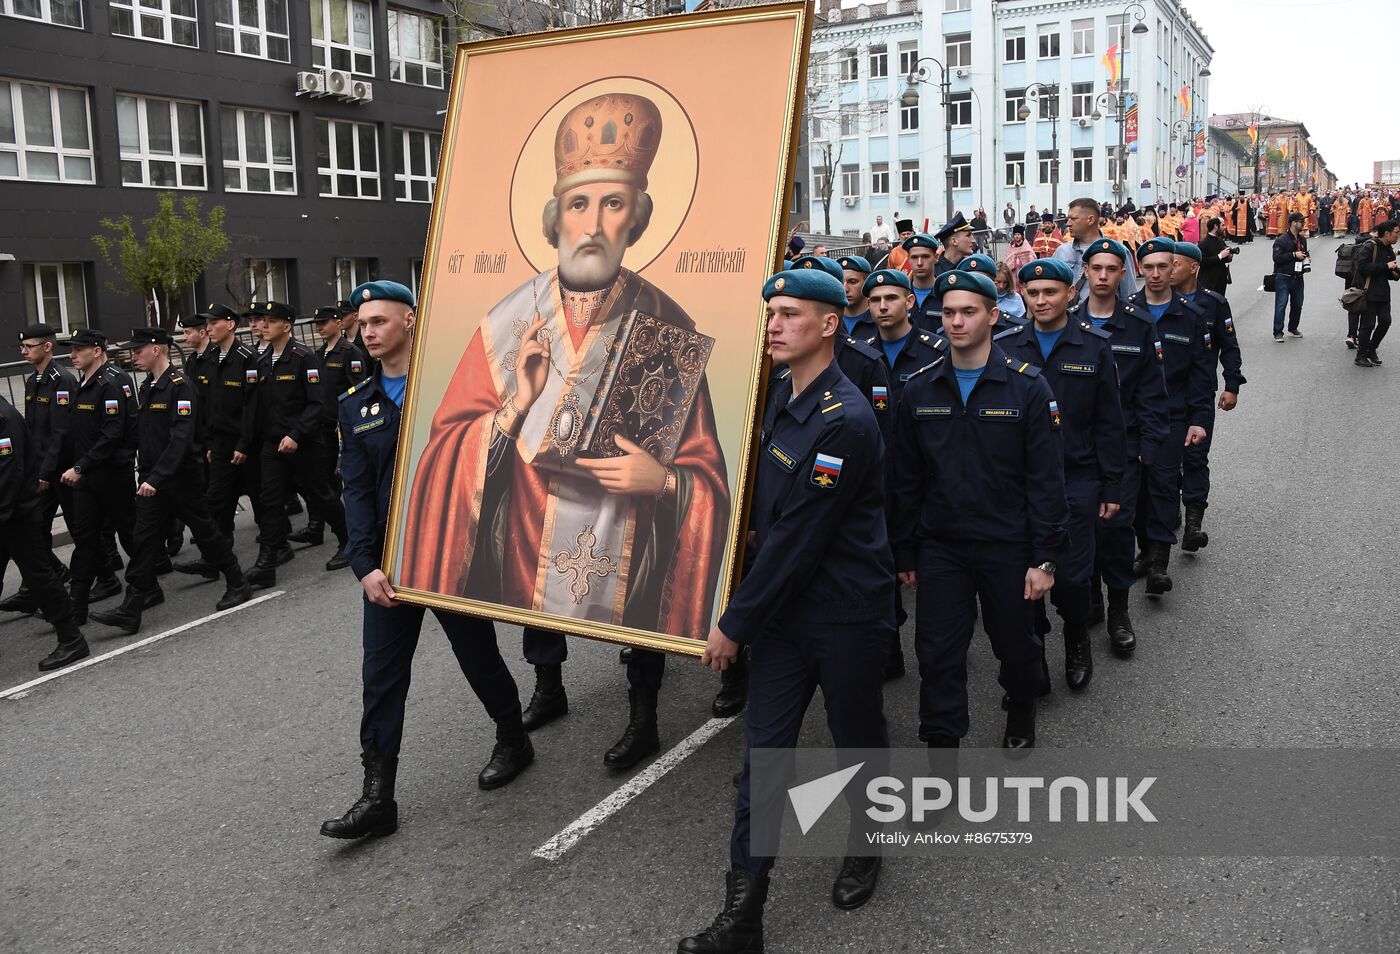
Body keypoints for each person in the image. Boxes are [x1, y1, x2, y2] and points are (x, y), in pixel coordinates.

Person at [678, 266, 894, 953]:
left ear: (830, 324)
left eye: (790, 314)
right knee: (764, 758)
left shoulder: (846, 421)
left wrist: (733, 625)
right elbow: (767, 513)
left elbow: (799, 540)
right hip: (786, 620)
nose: (773, 325)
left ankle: (866, 844)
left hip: (845, 614)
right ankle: (743, 916)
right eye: (771, 313)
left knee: (855, 737)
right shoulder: (780, 395)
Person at [321, 280, 533, 842]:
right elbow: (358, 491)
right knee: (381, 677)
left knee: (477, 656)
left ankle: (513, 736)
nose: (367, 333)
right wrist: (364, 564)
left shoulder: (451, 389)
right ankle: (377, 797)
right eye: (362, 324)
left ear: (411, 320)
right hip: (389, 566)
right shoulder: (356, 404)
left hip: (448, 555)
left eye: (379, 322)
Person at [891, 268, 1067, 752]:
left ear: (993, 315)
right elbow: (906, 479)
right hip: (942, 545)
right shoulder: (920, 388)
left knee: (1015, 644)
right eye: (948, 312)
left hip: (1007, 543)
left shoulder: (1027, 388)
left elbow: (1047, 481)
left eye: (968, 312)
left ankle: (1022, 706)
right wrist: (905, 552)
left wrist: (1045, 557)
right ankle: (941, 754)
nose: (956, 322)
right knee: (938, 653)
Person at [995, 259, 1124, 693]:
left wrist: (1111, 484)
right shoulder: (1007, 345)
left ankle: (1076, 638)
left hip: (1078, 478)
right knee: (1023, 577)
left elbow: (1109, 421)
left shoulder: (1094, 346)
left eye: (1050, 292)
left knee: (1070, 575)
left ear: (1071, 294)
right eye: (1032, 293)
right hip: (1019, 482)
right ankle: (1033, 655)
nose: (1041, 300)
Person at [88, 329, 252, 634]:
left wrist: (158, 477)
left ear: (157, 349)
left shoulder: (181, 387)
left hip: (181, 480)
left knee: (206, 532)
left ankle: (237, 582)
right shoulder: (149, 385)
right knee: (143, 540)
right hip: (154, 481)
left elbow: (181, 438)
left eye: (138, 350)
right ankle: (133, 605)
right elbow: (148, 435)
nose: (133, 356)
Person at [1079, 238, 1168, 655]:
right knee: (1084, 530)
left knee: (1116, 531)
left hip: (1125, 448)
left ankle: (1118, 610)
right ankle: (1092, 599)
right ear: (1084, 271)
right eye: (1095, 268)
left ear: (1121, 274)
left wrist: (1149, 450)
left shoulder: (1138, 324)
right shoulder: (1069, 322)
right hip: (1078, 452)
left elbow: (1152, 394)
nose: (1102, 276)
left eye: (1111, 269)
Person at [1127, 238, 1213, 596]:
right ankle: (1146, 549)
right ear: (1139, 270)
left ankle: (1160, 562)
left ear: (1173, 268)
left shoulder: (1191, 316)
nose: (1157, 274)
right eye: (1149, 267)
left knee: (1163, 487)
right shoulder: (1127, 312)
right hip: (1132, 419)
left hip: (1174, 415)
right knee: (1136, 492)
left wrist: (1199, 420)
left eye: (1164, 266)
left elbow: (1202, 375)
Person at [246, 301, 349, 587]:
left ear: (286, 326)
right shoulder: (263, 359)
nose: (264, 325)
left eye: (270, 321)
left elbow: (317, 404)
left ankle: (349, 541)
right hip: (272, 444)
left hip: (304, 442)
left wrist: (296, 434)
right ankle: (266, 562)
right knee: (269, 501)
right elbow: (260, 405)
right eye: (262, 321)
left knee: (320, 494)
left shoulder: (304, 357)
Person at [0, 393, 90, 671]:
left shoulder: (3, 420)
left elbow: (8, 475)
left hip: (16, 515)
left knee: (40, 576)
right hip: (6, 514)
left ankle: (71, 638)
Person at [55, 330, 138, 625]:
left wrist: (80, 467)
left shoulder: (109, 383)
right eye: (72, 349)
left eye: (79, 349)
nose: (73, 354)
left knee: (130, 534)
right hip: (89, 476)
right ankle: (75, 607)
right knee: (86, 538)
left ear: (98, 350)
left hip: (111, 474)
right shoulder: (85, 383)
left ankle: (146, 588)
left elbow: (112, 433)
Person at [1171, 242, 1245, 553]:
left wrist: (1232, 386)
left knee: (1196, 459)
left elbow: (1229, 346)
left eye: (1175, 264)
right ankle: (1166, 512)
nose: (1168, 269)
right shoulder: (1157, 303)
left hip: (1199, 396)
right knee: (1164, 461)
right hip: (1164, 396)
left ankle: (1193, 523)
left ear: (1193, 267)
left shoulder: (1213, 303)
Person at [0, 324, 76, 615]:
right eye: (22, 347)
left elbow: (60, 433)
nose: (23, 351)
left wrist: (45, 472)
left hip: (59, 470)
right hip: (41, 472)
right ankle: (37, 586)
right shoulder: (33, 382)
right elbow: (32, 432)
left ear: (47, 347)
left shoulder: (62, 381)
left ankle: (99, 579)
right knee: (35, 531)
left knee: (79, 528)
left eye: (28, 347)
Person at [290, 306, 370, 545]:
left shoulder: (350, 352)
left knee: (328, 481)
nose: (319, 327)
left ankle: (349, 536)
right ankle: (316, 527)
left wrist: (348, 424)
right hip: (321, 426)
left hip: (340, 426)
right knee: (319, 480)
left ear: (338, 323)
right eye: (317, 323)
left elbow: (358, 391)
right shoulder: (320, 354)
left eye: (324, 322)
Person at [1052, 196, 1140, 304]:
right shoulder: (1062, 252)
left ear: (1090, 220)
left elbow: (1129, 295)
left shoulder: (1119, 251)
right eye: (1068, 218)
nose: (1068, 223)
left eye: (1074, 219)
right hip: (1069, 318)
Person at [1353, 219, 1400, 368]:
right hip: (1369, 291)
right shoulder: (1370, 246)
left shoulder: (1388, 249)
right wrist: (1385, 266)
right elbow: (1363, 268)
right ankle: (1360, 355)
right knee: (1368, 325)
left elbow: (1386, 272)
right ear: (1387, 233)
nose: (1398, 236)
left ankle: (1371, 349)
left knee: (1385, 322)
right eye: (1396, 233)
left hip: (1383, 292)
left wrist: (1394, 274)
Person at [1271, 212, 1309, 341]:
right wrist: (1293, 255)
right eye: (1300, 221)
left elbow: (1303, 253)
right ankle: (1278, 332)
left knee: (1298, 304)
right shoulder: (1281, 240)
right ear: (1293, 223)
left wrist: (1306, 258)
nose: (1303, 224)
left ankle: (1293, 327)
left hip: (1298, 276)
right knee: (1281, 305)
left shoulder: (1302, 239)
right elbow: (1276, 258)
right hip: (1283, 276)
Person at [900, 233, 941, 330]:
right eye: (914, 257)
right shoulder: (901, 295)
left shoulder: (944, 294)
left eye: (925, 257)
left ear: (936, 257)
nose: (919, 263)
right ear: (908, 259)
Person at [837, 254, 876, 340]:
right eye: (840, 282)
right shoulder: (832, 319)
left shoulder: (878, 318)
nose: (845, 289)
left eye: (852, 282)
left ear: (866, 283)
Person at [1197, 217, 1236, 295]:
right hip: (1209, 281)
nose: (1224, 228)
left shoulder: (1220, 240)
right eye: (1222, 225)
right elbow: (1203, 262)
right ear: (1216, 226)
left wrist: (1229, 257)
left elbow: (1223, 259)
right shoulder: (1203, 243)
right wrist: (1219, 256)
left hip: (1221, 279)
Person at [933, 213, 975, 278]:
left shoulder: (971, 268)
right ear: (954, 241)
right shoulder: (933, 271)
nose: (973, 240)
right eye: (968, 235)